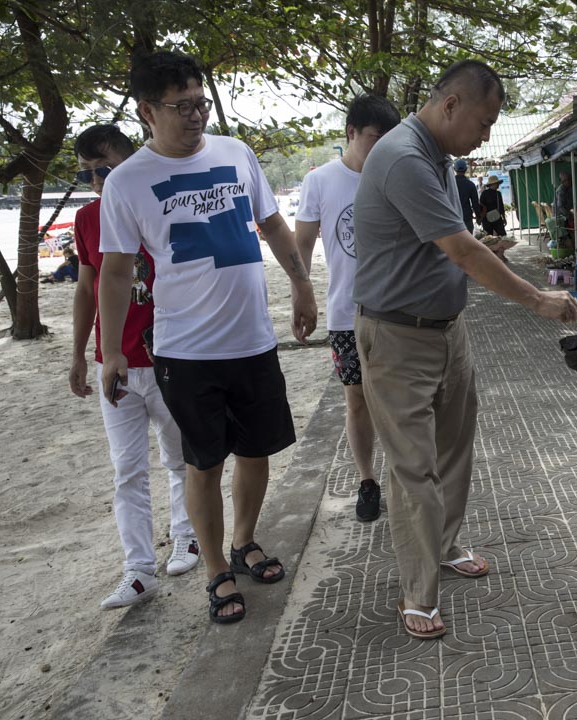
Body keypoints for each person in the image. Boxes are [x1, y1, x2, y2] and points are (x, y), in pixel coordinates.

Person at [352, 59, 577, 640]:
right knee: (413, 470)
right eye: (484, 122)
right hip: (398, 335)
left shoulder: (438, 158)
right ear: (451, 105)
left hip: (445, 328)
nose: (486, 135)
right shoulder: (404, 156)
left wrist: (486, 246)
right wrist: (537, 300)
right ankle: (418, 592)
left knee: (455, 449)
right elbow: (458, 250)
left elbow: (442, 245)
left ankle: (444, 545)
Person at [98, 50, 317, 625]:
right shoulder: (126, 182)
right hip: (186, 350)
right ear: (148, 111)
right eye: (181, 108)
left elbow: (271, 224)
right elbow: (117, 270)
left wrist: (301, 287)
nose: (196, 116)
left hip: (253, 339)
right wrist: (114, 350)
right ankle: (216, 567)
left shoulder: (236, 153)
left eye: (202, 104)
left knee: (256, 450)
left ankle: (244, 541)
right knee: (203, 464)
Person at [68, 123, 199, 609]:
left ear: (130, 160)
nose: (99, 182)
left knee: (180, 457)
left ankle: (186, 536)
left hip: (169, 353)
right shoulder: (88, 219)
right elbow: (86, 289)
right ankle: (139, 569)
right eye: (88, 175)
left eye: (105, 169)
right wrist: (81, 353)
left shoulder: (162, 203)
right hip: (115, 362)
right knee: (127, 469)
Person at [296, 94, 400, 522]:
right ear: (351, 133)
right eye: (375, 138)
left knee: (398, 402)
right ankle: (367, 480)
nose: (382, 147)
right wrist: (301, 294)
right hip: (345, 315)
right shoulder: (320, 181)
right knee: (356, 400)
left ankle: (405, 478)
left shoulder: (398, 175)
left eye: (388, 139)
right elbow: (301, 243)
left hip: (397, 311)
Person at [453, 158, 480, 234]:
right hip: (467, 217)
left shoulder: (449, 184)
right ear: (466, 169)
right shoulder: (470, 185)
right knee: (468, 243)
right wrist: (478, 217)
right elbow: (475, 203)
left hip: (453, 218)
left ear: (455, 169)